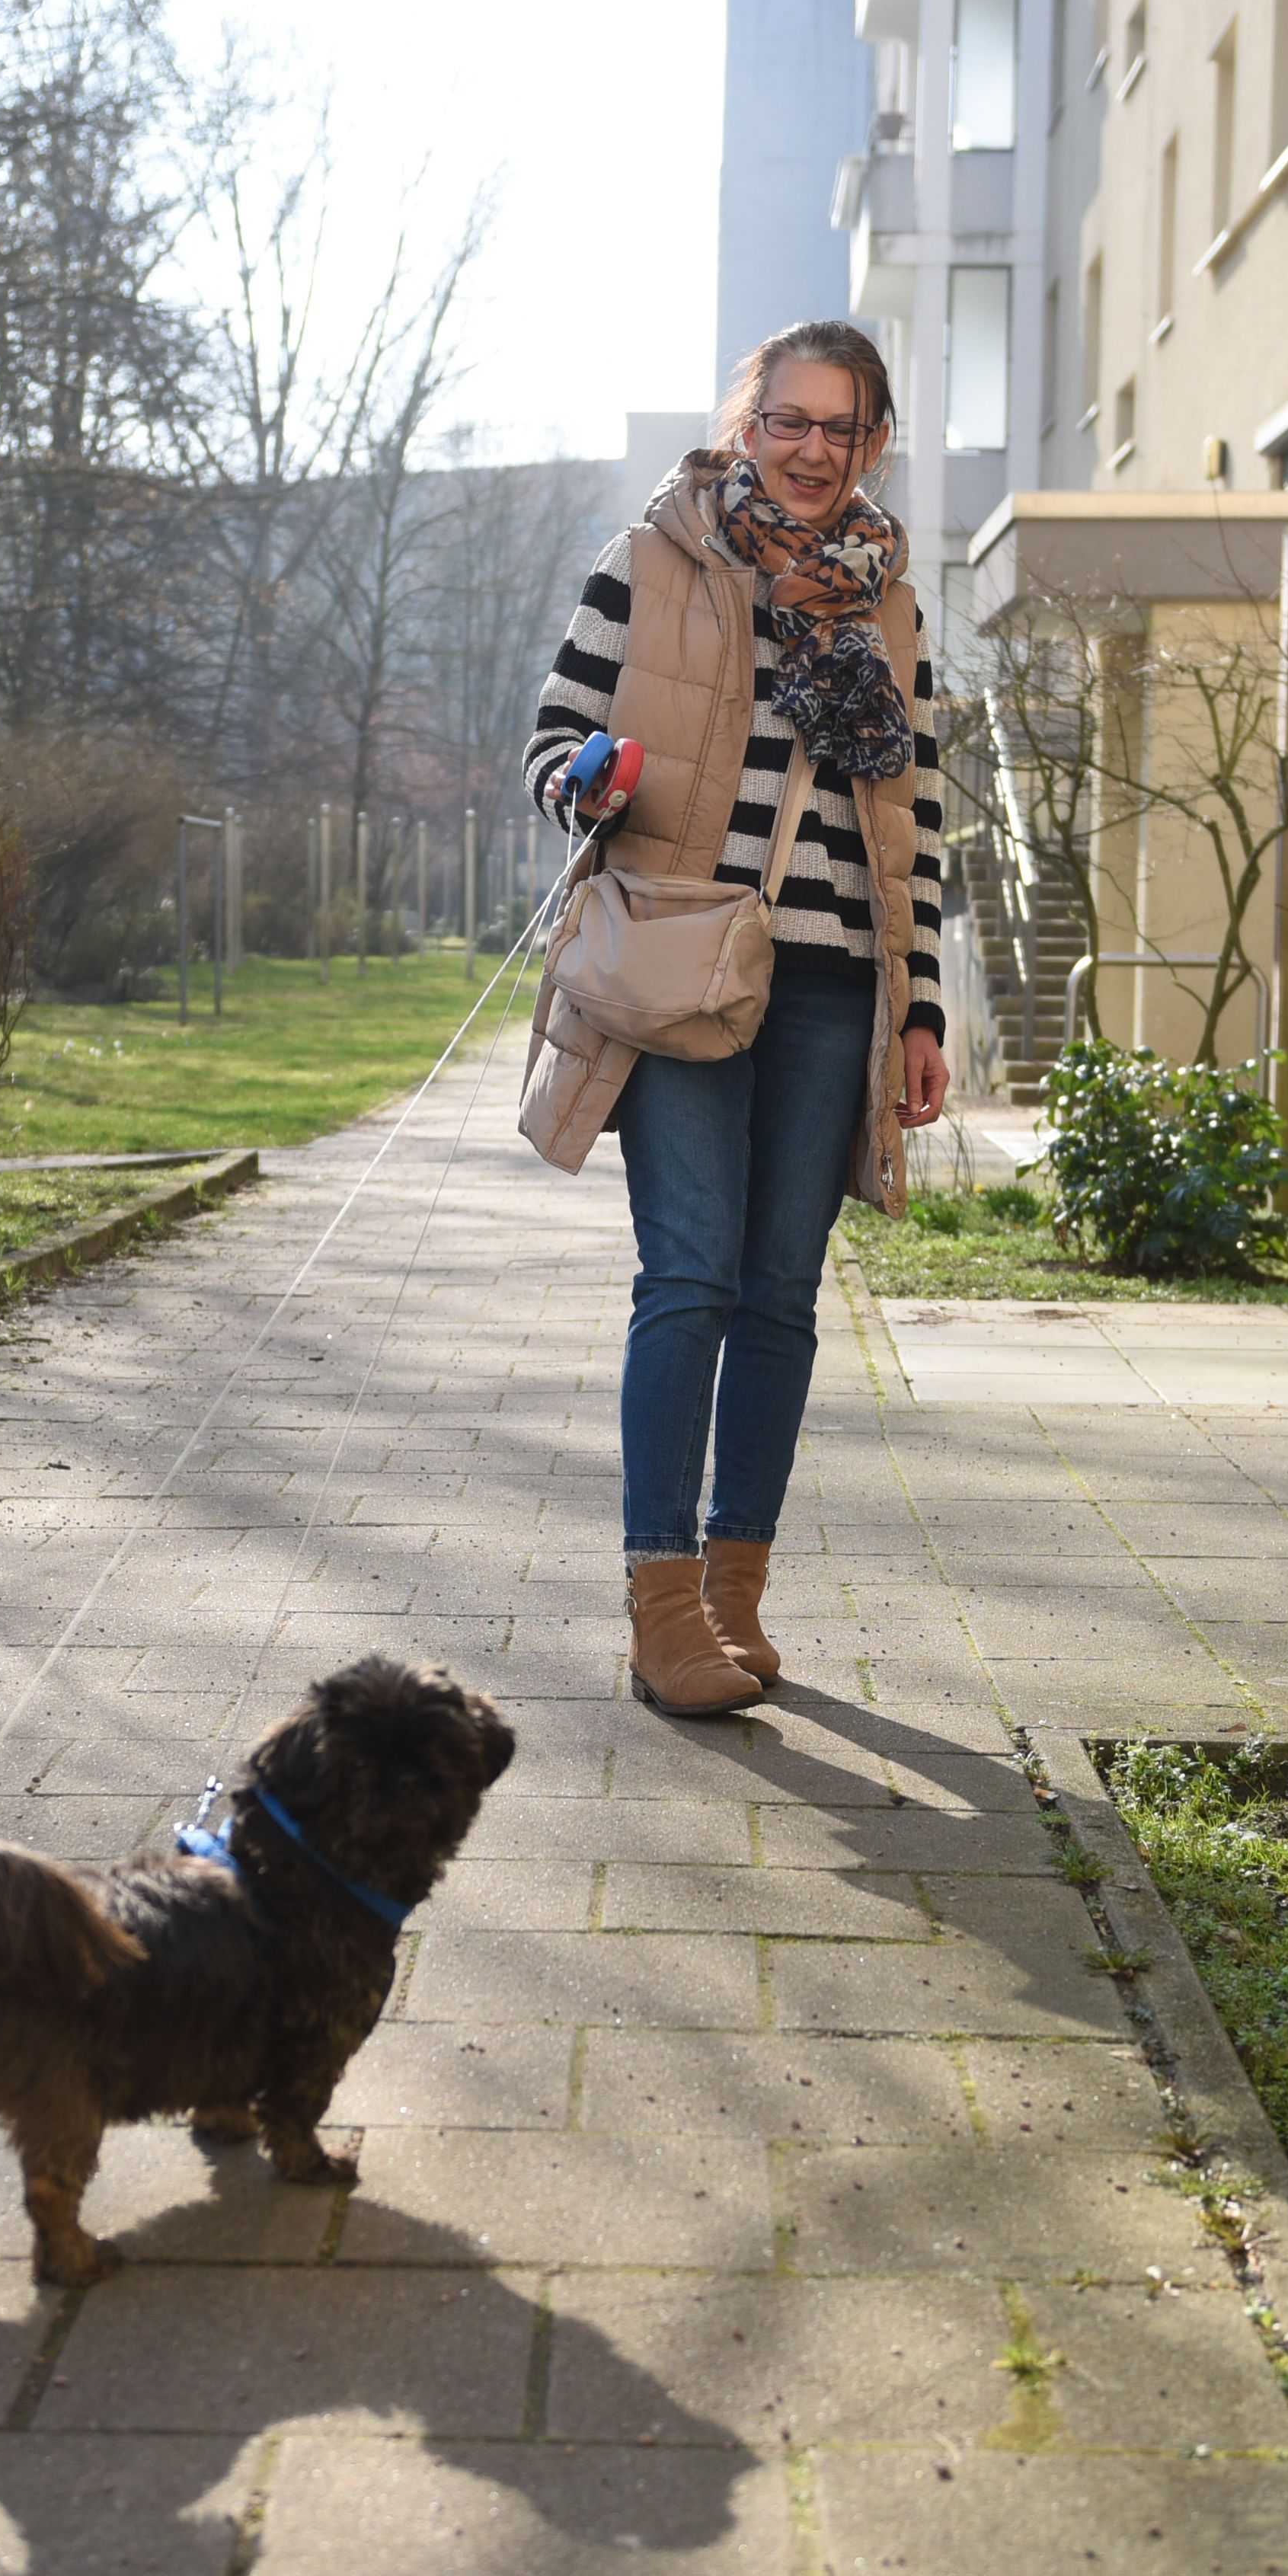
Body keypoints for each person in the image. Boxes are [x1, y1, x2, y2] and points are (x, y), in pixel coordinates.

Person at [517, 321, 950, 1717]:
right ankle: (660, 1609)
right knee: (691, 1276)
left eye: (843, 428)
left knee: (780, 1297)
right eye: (790, 421)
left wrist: (921, 1009)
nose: (814, 450)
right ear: (746, 424)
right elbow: (554, 738)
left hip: (834, 981)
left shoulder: (890, 606)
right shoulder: (655, 559)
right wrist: (582, 780)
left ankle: (734, 1595)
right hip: (685, 962)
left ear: (873, 443)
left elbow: (918, 823)